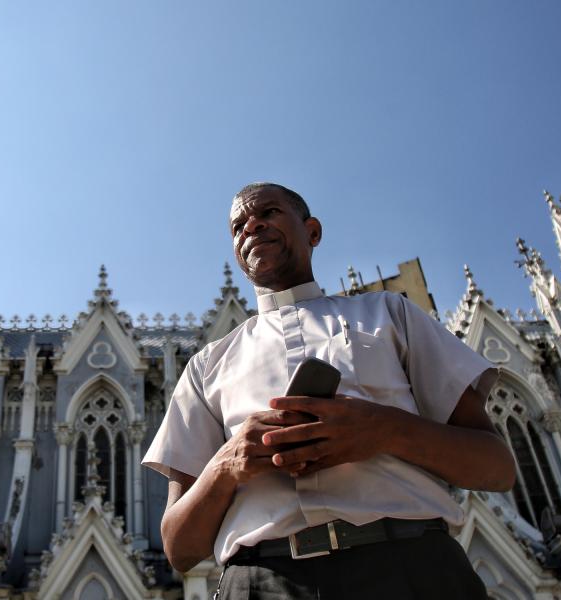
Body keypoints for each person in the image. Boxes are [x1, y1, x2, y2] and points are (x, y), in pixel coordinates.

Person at [142, 182, 516, 599]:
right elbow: (179, 548)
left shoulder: (390, 315)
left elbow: (497, 467)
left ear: (313, 231)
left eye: (267, 213)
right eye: (238, 226)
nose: (251, 225)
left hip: (412, 567)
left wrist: (384, 430)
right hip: (261, 583)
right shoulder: (206, 366)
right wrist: (227, 464)